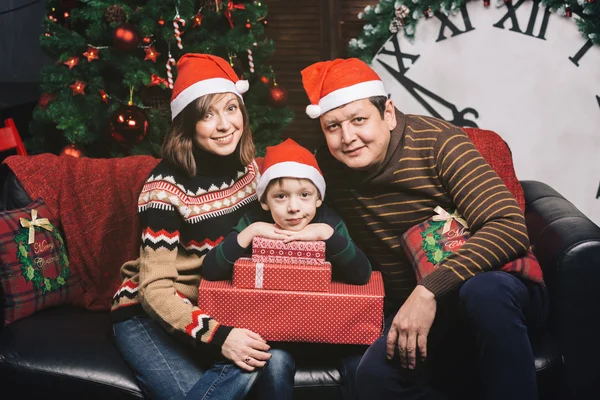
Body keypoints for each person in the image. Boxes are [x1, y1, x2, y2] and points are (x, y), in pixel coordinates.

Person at [301, 58, 548, 400]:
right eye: (333, 127)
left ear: (388, 113)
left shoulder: (439, 143)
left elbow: (508, 227)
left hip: (497, 294)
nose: (348, 138)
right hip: (417, 314)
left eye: (359, 120)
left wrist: (428, 290)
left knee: (483, 292)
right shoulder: (330, 168)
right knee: (373, 378)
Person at [110, 53, 292, 400]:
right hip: (148, 315)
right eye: (207, 114)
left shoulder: (252, 172)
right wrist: (222, 337)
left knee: (279, 362)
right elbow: (156, 291)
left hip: (216, 309)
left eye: (230, 108)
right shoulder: (165, 188)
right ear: (187, 124)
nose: (225, 125)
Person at [202, 137, 373, 400]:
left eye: (305, 195)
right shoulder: (254, 221)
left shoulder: (328, 222)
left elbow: (362, 275)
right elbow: (211, 270)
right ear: (265, 202)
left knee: (360, 365)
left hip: (329, 332)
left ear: (318, 199)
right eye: (281, 197)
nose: (294, 208)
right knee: (275, 364)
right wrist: (250, 233)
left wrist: (328, 235)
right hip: (274, 336)